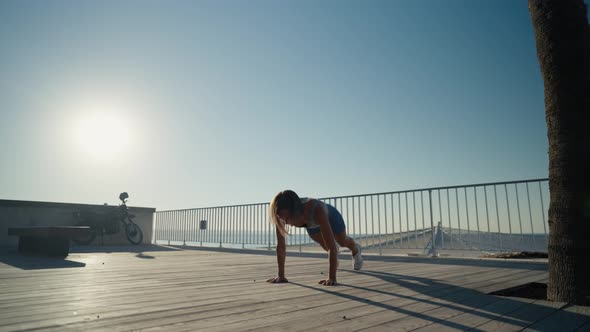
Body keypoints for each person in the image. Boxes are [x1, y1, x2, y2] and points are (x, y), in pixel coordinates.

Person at [266, 190, 363, 286]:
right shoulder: (281, 214)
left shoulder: (315, 210)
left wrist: (332, 278)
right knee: (323, 243)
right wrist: (281, 276)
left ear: (294, 211)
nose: (285, 223)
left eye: (286, 219)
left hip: (331, 217)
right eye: (281, 218)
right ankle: (334, 257)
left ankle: (355, 250)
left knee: (341, 241)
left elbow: (331, 247)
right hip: (311, 224)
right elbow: (281, 246)